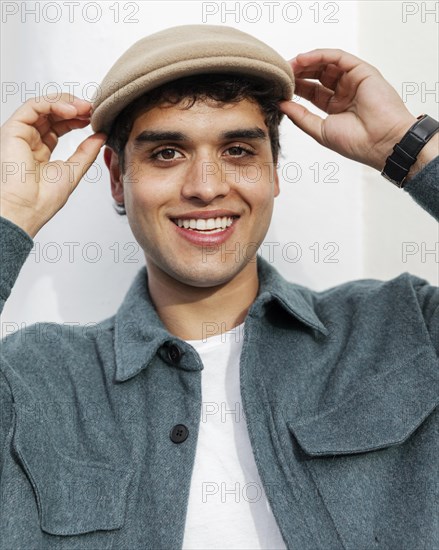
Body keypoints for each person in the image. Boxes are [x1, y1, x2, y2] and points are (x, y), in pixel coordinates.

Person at [0, 24, 437, 550]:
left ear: (273, 170)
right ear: (118, 177)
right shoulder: (31, 382)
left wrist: (410, 149)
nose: (206, 186)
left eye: (237, 150)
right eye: (166, 153)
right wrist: (10, 217)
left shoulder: (403, 328)